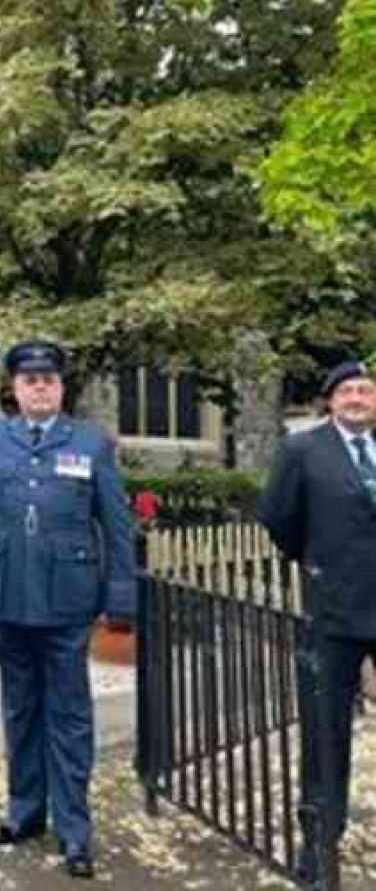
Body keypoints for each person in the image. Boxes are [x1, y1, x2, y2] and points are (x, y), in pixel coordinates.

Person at [0, 341, 135, 880]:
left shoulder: (89, 441)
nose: (39, 387)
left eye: (49, 379)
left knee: (69, 714)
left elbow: (116, 525)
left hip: (68, 600)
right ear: (14, 388)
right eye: (29, 379)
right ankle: (25, 812)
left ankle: (74, 829)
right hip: (10, 593)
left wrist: (121, 597)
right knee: (20, 708)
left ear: (61, 388)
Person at [258, 359, 376, 885]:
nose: (357, 398)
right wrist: (314, 559)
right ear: (330, 401)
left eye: (365, 391)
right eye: (347, 391)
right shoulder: (302, 451)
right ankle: (319, 841)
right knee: (326, 734)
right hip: (335, 610)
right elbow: (277, 516)